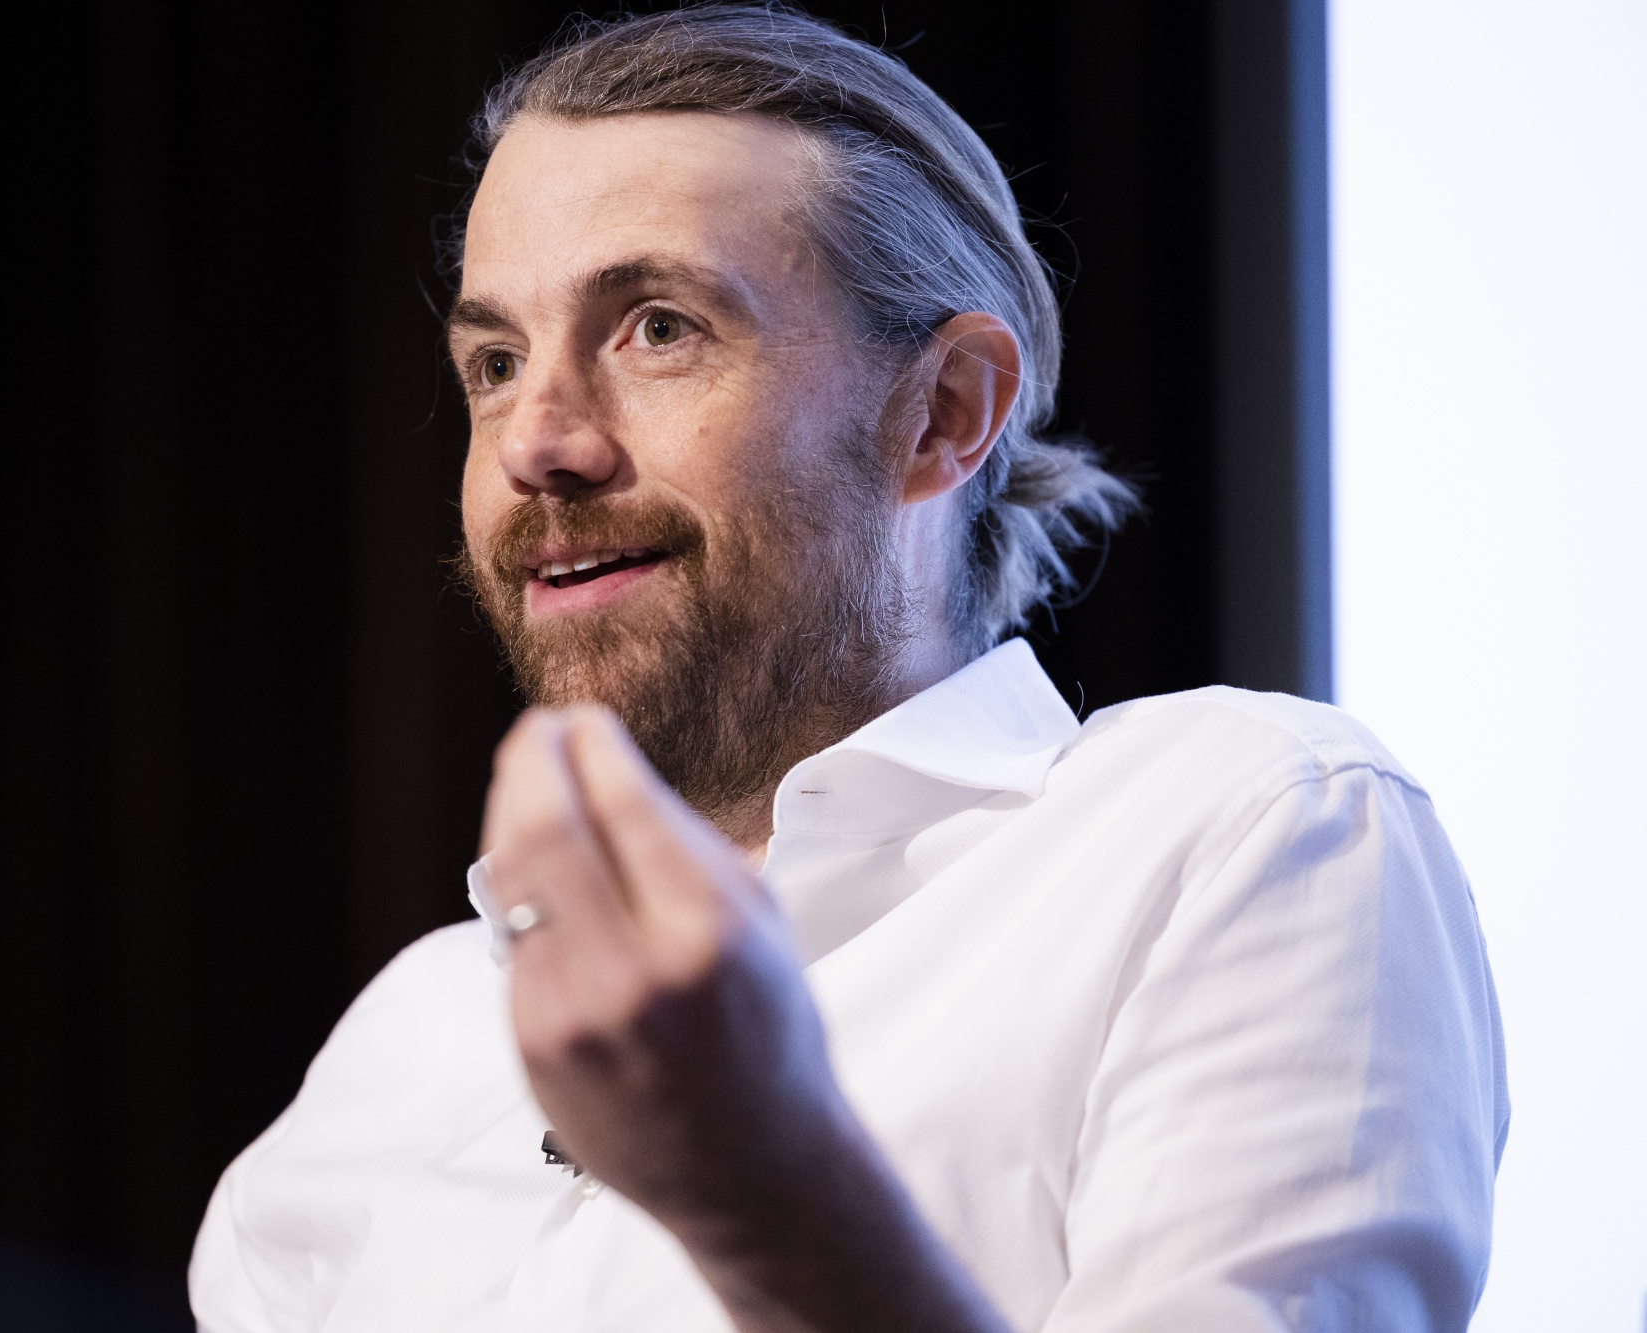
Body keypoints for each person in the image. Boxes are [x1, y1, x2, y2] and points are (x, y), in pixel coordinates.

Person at [188, 7, 1507, 1330]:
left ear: (944, 412)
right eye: (495, 361)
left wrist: (754, 1182)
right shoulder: (387, 1064)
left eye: (659, 328)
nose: (536, 442)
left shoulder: (1241, 834)